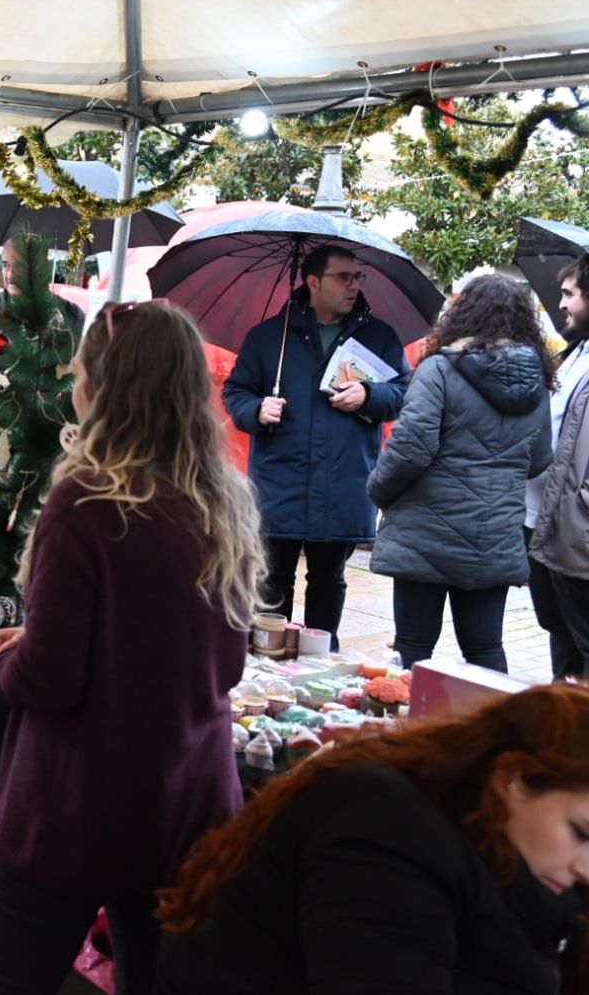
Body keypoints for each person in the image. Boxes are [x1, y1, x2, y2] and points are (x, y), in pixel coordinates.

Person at [0, 301, 267, 995]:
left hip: (73, 810)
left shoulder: (87, 500)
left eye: (79, 370)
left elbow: (51, 678)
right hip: (183, 807)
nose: (72, 380)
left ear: (106, 386)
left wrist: (5, 659)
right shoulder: (222, 502)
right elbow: (221, 664)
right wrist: (37, 641)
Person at [156, 686, 589, 992]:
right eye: (581, 833)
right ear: (510, 779)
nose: (585, 868)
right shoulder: (386, 832)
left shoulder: (504, 847)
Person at [222, 244, 410, 648]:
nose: (354, 285)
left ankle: (321, 660)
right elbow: (235, 391)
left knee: (329, 581)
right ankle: (265, 662)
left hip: (344, 482)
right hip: (279, 483)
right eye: (344, 277)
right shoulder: (270, 336)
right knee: (271, 579)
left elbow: (403, 393)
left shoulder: (380, 337)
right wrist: (257, 409)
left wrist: (370, 396)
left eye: (358, 277)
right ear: (312, 282)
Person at [367, 275, 553, 672]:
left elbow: (411, 448)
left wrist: (379, 491)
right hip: (496, 532)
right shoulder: (535, 378)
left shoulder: (439, 369)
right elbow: (539, 459)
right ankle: (489, 732)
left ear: (462, 315)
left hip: (426, 531)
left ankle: (413, 730)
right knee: (485, 649)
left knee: (414, 647)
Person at [0, 237, 83, 448]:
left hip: (46, 444)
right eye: (5, 265)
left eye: (19, 266)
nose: (9, 275)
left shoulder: (70, 317)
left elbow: (84, 381)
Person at [527, 256, 589, 679]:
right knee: (558, 629)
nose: (561, 304)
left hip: (578, 526)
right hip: (541, 522)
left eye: (569, 294)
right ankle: (563, 730)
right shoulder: (574, 350)